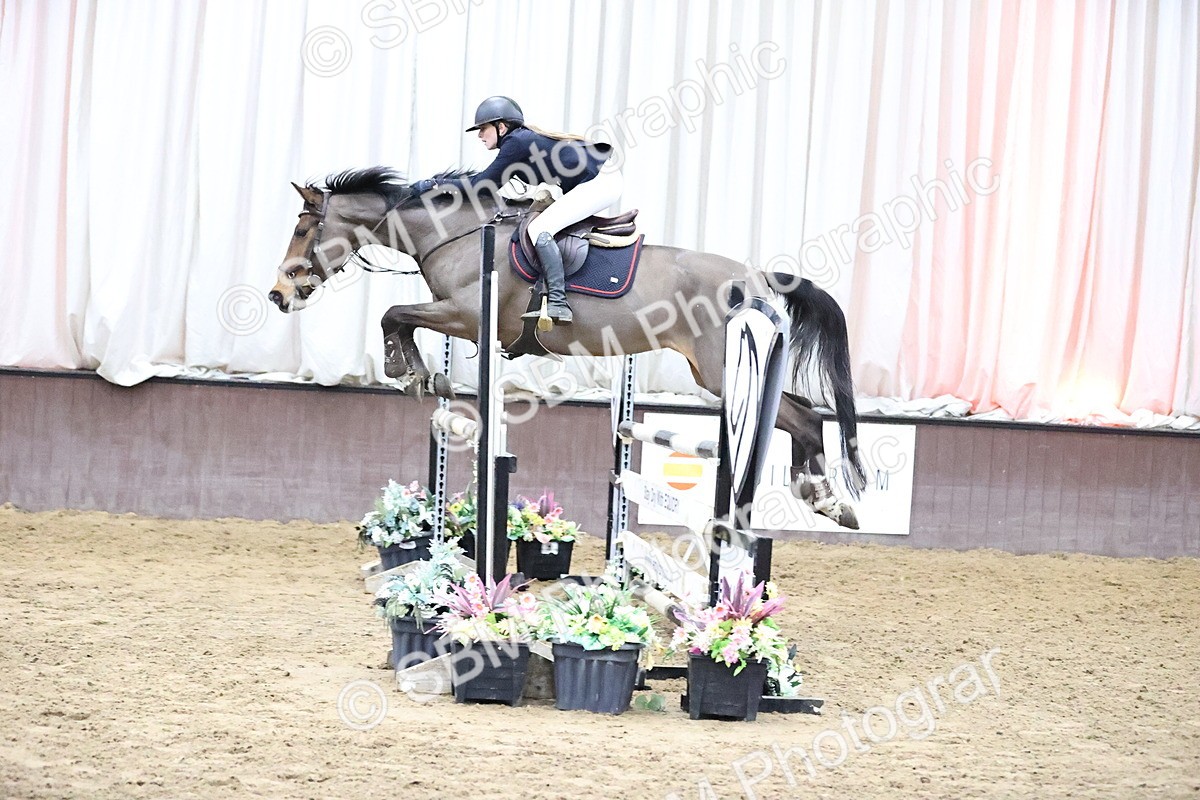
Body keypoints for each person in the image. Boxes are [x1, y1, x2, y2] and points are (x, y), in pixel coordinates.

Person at [412, 96, 622, 325]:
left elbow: (483, 185)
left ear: (501, 126)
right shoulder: (519, 141)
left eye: (483, 129)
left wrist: (435, 185)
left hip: (600, 182)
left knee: (539, 230)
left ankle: (559, 303)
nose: (480, 136)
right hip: (596, 180)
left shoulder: (516, 142)